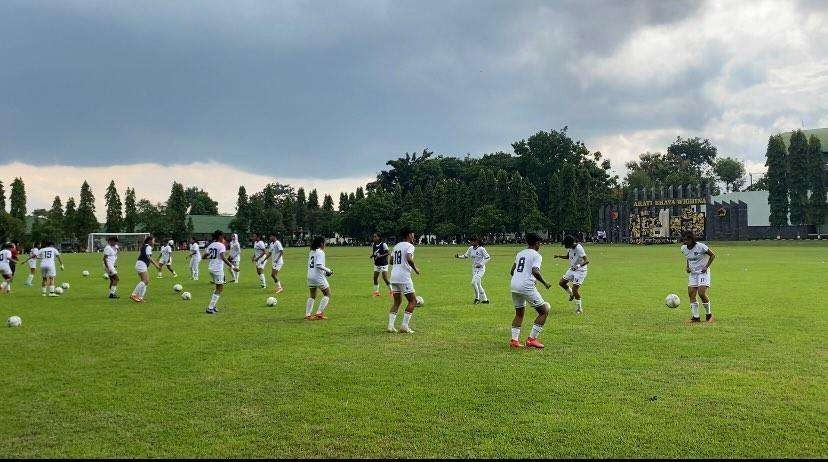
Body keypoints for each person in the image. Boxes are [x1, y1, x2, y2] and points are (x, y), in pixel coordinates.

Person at [509, 233, 552, 349]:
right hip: (525, 286)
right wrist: (545, 283)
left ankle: (514, 340)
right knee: (544, 311)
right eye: (540, 243)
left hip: (514, 285)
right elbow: (535, 271)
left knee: (519, 313)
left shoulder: (520, 253)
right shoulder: (537, 255)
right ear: (537, 243)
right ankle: (532, 339)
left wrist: (520, 278)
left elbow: (512, 271)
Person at [387, 227, 420, 334]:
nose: (414, 237)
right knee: (413, 301)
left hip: (393, 277)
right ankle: (404, 326)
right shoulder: (410, 246)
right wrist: (415, 269)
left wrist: (399, 263)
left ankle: (390, 326)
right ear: (409, 235)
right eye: (413, 235)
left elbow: (391, 261)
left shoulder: (396, 246)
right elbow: (409, 258)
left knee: (397, 301)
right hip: (403, 277)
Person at [681, 230, 716, 322]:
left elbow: (712, 255)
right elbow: (688, 258)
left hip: (703, 272)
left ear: (692, 239)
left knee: (701, 293)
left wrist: (706, 266)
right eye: (684, 240)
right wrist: (687, 267)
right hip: (693, 273)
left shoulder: (701, 246)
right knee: (691, 294)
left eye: (687, 240)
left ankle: (709, 315)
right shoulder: (683, 248)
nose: (685, 242)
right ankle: (696, 317)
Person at [203, 230, 238, 314]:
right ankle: (210, 308)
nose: (224, 238)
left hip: (211, 269)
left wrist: (211, 258)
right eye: (223, 236)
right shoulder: (221, 245)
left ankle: (213, 306)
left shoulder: (211, 245)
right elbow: (223, 257)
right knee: (220, 288)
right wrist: (233, 267)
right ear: (219, 237)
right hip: (217, 269)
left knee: (217, 287)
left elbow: (204, 256)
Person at [555, 235, 589, 314]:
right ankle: (571, 295)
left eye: (566, 244)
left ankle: (579, 309)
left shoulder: (579, 248)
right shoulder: (570, 247)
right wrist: (559, 256)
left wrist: (578, 266)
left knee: (575, 289)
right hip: (572, 269)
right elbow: (568, 256)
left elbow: (586, 261)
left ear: (571, 243)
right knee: (562, 283)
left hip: (580, 270)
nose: (565, 246)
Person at [455, 236, 491, 304]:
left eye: (472, 241)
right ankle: (485, 300)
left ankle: (477, 298)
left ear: (476, 241)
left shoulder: (481, 249)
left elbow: (488, 257)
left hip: (480, 269)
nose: (470, 242)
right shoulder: (470, 248)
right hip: (474, 269)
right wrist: (459, 256)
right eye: (470, 241)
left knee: (473, 282)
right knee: (478, 284)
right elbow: (466, 256)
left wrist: (481, 264)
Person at [305, 236, 333, 320]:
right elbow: (319, 265)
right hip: (317, 277)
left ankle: (308, 314)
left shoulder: (312, 252)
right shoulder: (320, 252)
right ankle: (319, 313)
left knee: (312, 295)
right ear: (321, 244)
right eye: (324, 243)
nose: (325, 245)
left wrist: (325, 273)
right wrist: (328, 270)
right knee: (327, 294)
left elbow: (314, 266)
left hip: (310, 276)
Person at [131, 235, 161, 303]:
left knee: (145, 282)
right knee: (145, 280)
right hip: (141, 264)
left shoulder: (146, 246)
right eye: (153, 240)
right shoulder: (148, 247)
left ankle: (140, 297)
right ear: (150, 241)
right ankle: (134, 294)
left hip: (140, 264)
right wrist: (156, 265)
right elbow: (149, 257)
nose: (154, 242)